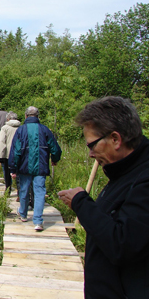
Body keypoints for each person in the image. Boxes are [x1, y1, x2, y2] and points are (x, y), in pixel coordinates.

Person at [58, 96, 149, 298]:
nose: (90, 154)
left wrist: (81, 202)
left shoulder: (144, 178)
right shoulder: (125, 172)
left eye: (92, 145)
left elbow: (123, 245)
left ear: (115, 139)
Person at [9, 106, 61, 232]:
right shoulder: (45, 130)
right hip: (41, 166)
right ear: (38, 117)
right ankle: (38, 221)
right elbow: (55, 148)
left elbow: (15, 151)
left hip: (24, 166)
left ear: (26, 116)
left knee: (24, 190)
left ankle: (23, 213)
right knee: (39, 192)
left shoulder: (20, 130)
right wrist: (55, 159)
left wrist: (13, 167)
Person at [0, 111, 21, 194]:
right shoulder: (21, 127)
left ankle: (8, 190)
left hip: (7, 154)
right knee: (19, 173)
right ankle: (20, 192)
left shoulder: (5, 128)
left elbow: (2, 142)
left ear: (7, 119)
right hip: (19, 154)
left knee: (7, 173)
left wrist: (0, 155)